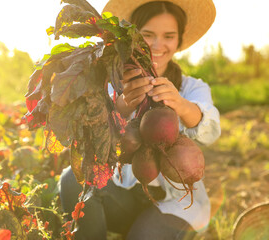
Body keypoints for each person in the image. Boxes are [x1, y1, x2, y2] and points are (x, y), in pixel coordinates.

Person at [59, 0, 221, 239]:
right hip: (123, 195)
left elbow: (210, 132)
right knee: (73, 179)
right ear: (132, 37)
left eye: (168, 36)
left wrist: (180, 104)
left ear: (179, 39)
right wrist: (122, 107)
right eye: (147, 34)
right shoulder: (115, 84)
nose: (157, 45)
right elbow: (91, 137)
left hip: (176, 204)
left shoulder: (191, 88)